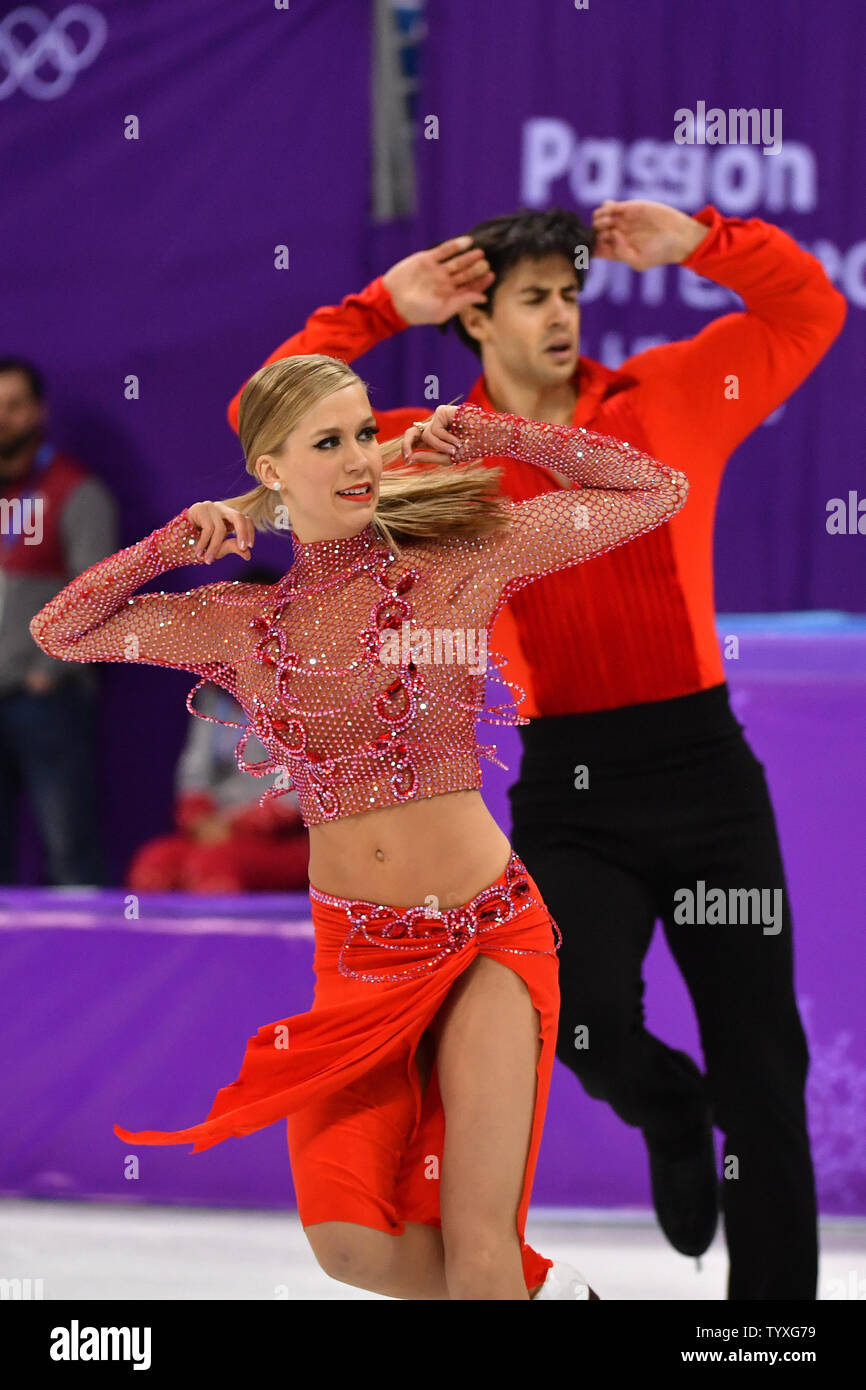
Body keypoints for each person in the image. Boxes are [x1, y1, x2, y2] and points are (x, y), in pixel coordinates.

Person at [225, 201, 848, 1300]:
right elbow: (267, 419)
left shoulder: (668, 394)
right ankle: (667, 1105)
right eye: (532, 299)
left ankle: (771, 1332)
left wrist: (700, 241)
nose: (559, 315)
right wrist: (380, 308)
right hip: (571, 787)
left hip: (705, 775)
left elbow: (808, 308)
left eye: (569, 293)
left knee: (763, 1068)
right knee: (591, 1024)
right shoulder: (426, 454)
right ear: (475, 317)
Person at [30, 354, 687, 1300]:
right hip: (359, 959)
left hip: (484, 932)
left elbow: (655, 489)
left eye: (366, 434)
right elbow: (64, 630)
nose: (359, 459)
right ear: (269, 469)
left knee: (479, 1242)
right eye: (328, 442)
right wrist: (174, 542)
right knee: (351, 1248)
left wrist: (498, 435)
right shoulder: (236, 622)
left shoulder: (458, 559)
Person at [0, 357, 117, 885]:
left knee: (68, 848)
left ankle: (85, 964)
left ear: (38, 413)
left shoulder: (75, 490)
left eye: (14, 405)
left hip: (45, 702)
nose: (2, 418)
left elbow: (97, 597)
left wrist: (48, 672)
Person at [126, 565, 310, 894]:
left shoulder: (308, 692)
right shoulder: (217, 693)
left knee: (214, 869)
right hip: (218, 834)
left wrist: (240, 825)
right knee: (153, 864)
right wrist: (199, 817)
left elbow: (306, 786)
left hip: (292, 842)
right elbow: (194, 773)